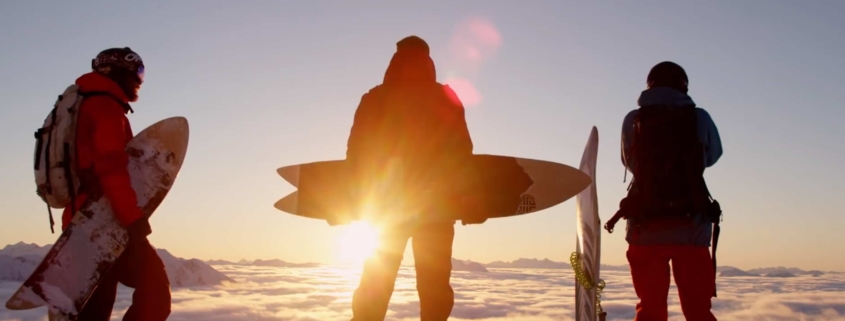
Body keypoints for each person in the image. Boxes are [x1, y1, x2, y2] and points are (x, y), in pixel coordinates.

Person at [346, 35, 474, 321]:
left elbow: (356, 154)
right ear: (429, 61)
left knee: (376, 280)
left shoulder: (375, 98)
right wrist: (465, 199)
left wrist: (352, 200)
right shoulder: (446, 97)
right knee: (435, 284)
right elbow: (462, 153)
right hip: (437, 204)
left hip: (387, 204)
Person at [605, 61, 723, 321]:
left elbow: (628, 161)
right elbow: (714, 155)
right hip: (692, 228)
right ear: (684, 87)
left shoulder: (633, 119)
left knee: (650, 309)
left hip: (644, 230)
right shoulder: (699, 117)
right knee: (698, 311)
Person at [65, 47, 171, 321]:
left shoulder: (82, 103)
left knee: (95, 305)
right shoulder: (105, 106)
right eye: (137, 72)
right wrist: (133, 219)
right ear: (118, 72)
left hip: (81, 219)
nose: (140, 80)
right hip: (107, 220)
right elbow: (111, 169)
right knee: (155, 289)